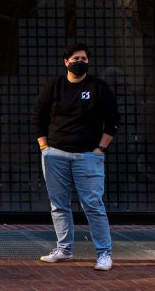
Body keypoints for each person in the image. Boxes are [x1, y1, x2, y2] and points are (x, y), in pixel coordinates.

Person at [33, 44, 119, 271]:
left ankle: (104, 253)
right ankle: (64, 249)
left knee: (93, 204)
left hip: (88, 156)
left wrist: (101, 148)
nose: (80, 61)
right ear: (66, 62)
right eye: (75, 58)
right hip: (55, 155)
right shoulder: (54, 86)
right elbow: (38, 116)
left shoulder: (98, 87)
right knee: (58, 204)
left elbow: (112, 120)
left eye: (84, 58)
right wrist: (44, 146)